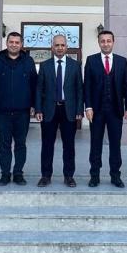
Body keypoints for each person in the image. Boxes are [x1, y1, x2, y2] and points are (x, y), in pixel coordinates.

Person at [83, 30, 127, 188]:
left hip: (116, 110)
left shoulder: (121, 61)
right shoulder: (91, 60)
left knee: (115, 144)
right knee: (95, 143)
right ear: (99, 43)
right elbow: (87, 87)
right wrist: (88, 106)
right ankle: (95, 175)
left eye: (108, 41)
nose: (105, 43)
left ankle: (115, 176)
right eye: (102, 41)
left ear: (113, 42)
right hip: (96, 110)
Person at [0, 32, 37, 186]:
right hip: (2, 112)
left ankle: (18, 173)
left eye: (17, 42)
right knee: (4, 145)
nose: (14, 44)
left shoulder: (28, 61)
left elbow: (34, 85)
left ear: (21, 44)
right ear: (7, 43)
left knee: (21, 144)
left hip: (23, 112)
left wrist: (34, 105)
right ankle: (5, 174)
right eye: (11, 42)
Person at [34, 34, 83, 187]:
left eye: (62, 45)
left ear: (66, 47)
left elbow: (79, 90)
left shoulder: (75, 65)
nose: (60, 48)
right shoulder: (44, 65)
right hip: (49, 110)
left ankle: (69, 176)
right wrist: (38, 109)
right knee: (47, 145)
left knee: (69, 146)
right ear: (52, 47)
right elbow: (39, 89)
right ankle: (45, 176)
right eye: (57, 45)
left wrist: (79, 110)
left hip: (68, 111)